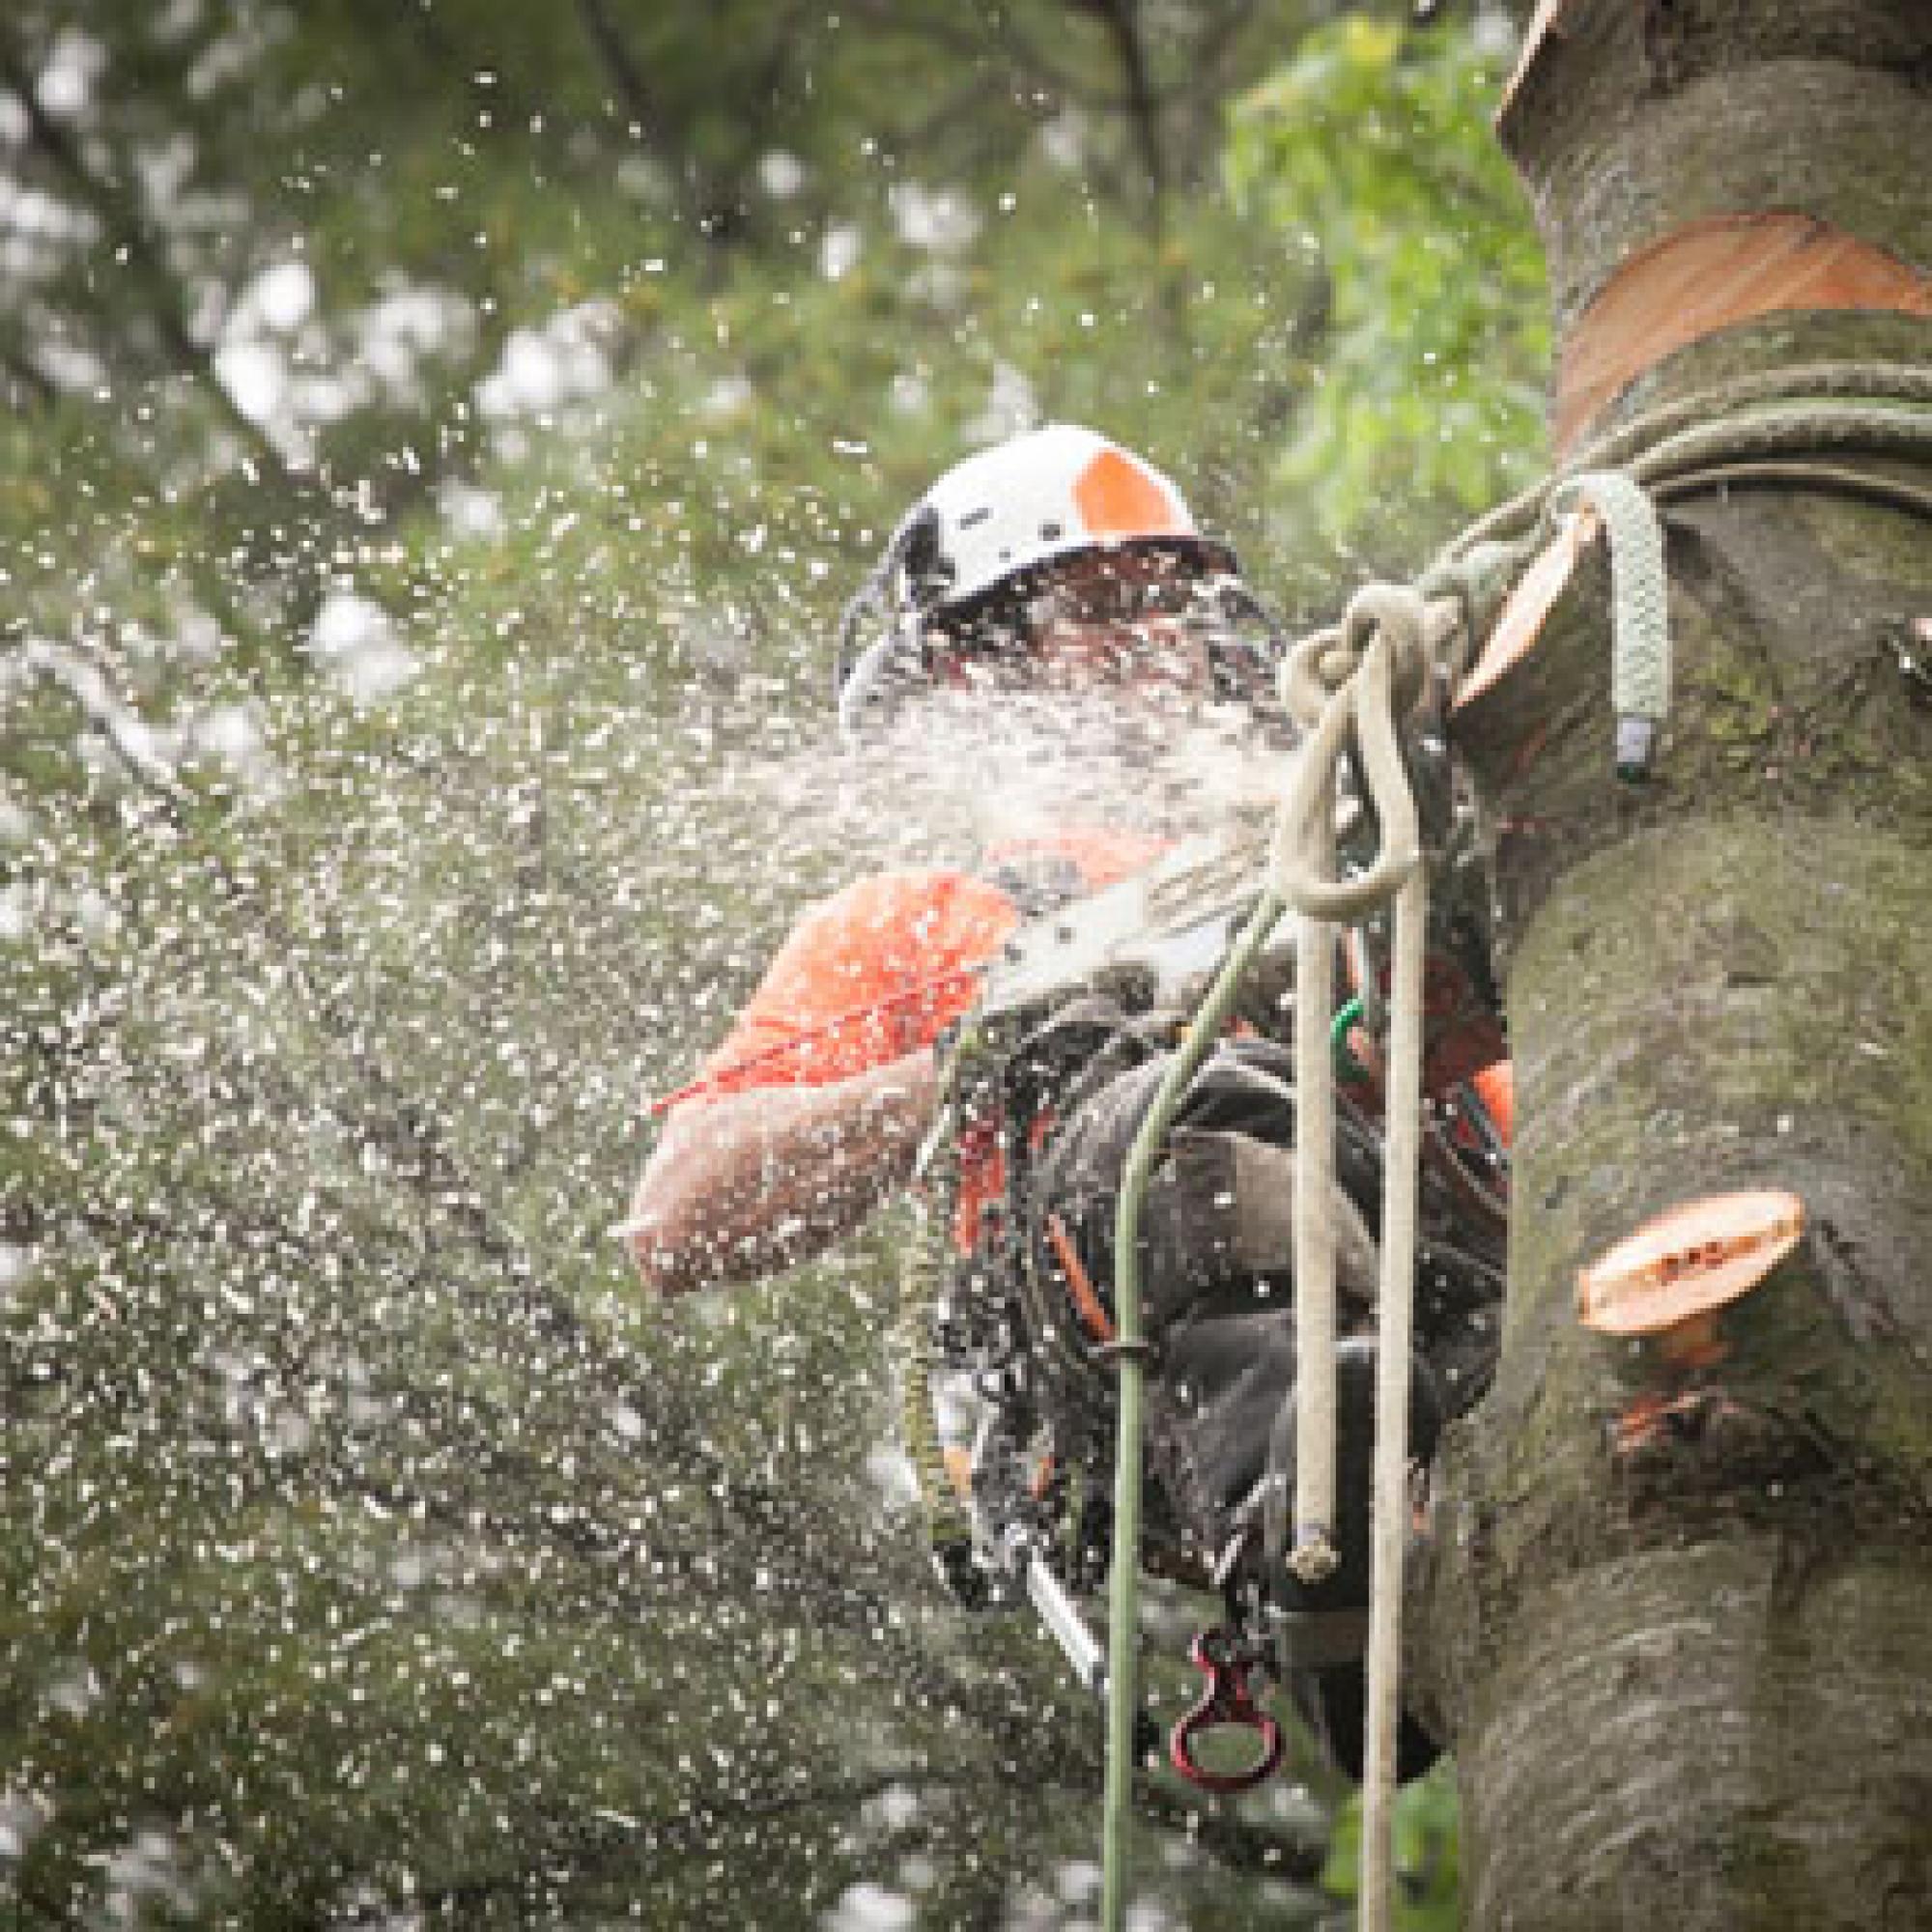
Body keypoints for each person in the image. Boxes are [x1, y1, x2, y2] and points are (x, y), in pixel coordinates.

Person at [622, 423, 1506, 1782]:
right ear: (972, 667)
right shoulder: (922, 918)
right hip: (1144, 1324)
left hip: (1444, 1269)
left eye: (1167, 599)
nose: (1150, 637)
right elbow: (679, 1217)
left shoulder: (1337, 839)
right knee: (1157, 1094)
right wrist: (957, 1072)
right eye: (1098, 610)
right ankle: (1313, 1508)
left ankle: (1462, 1479)